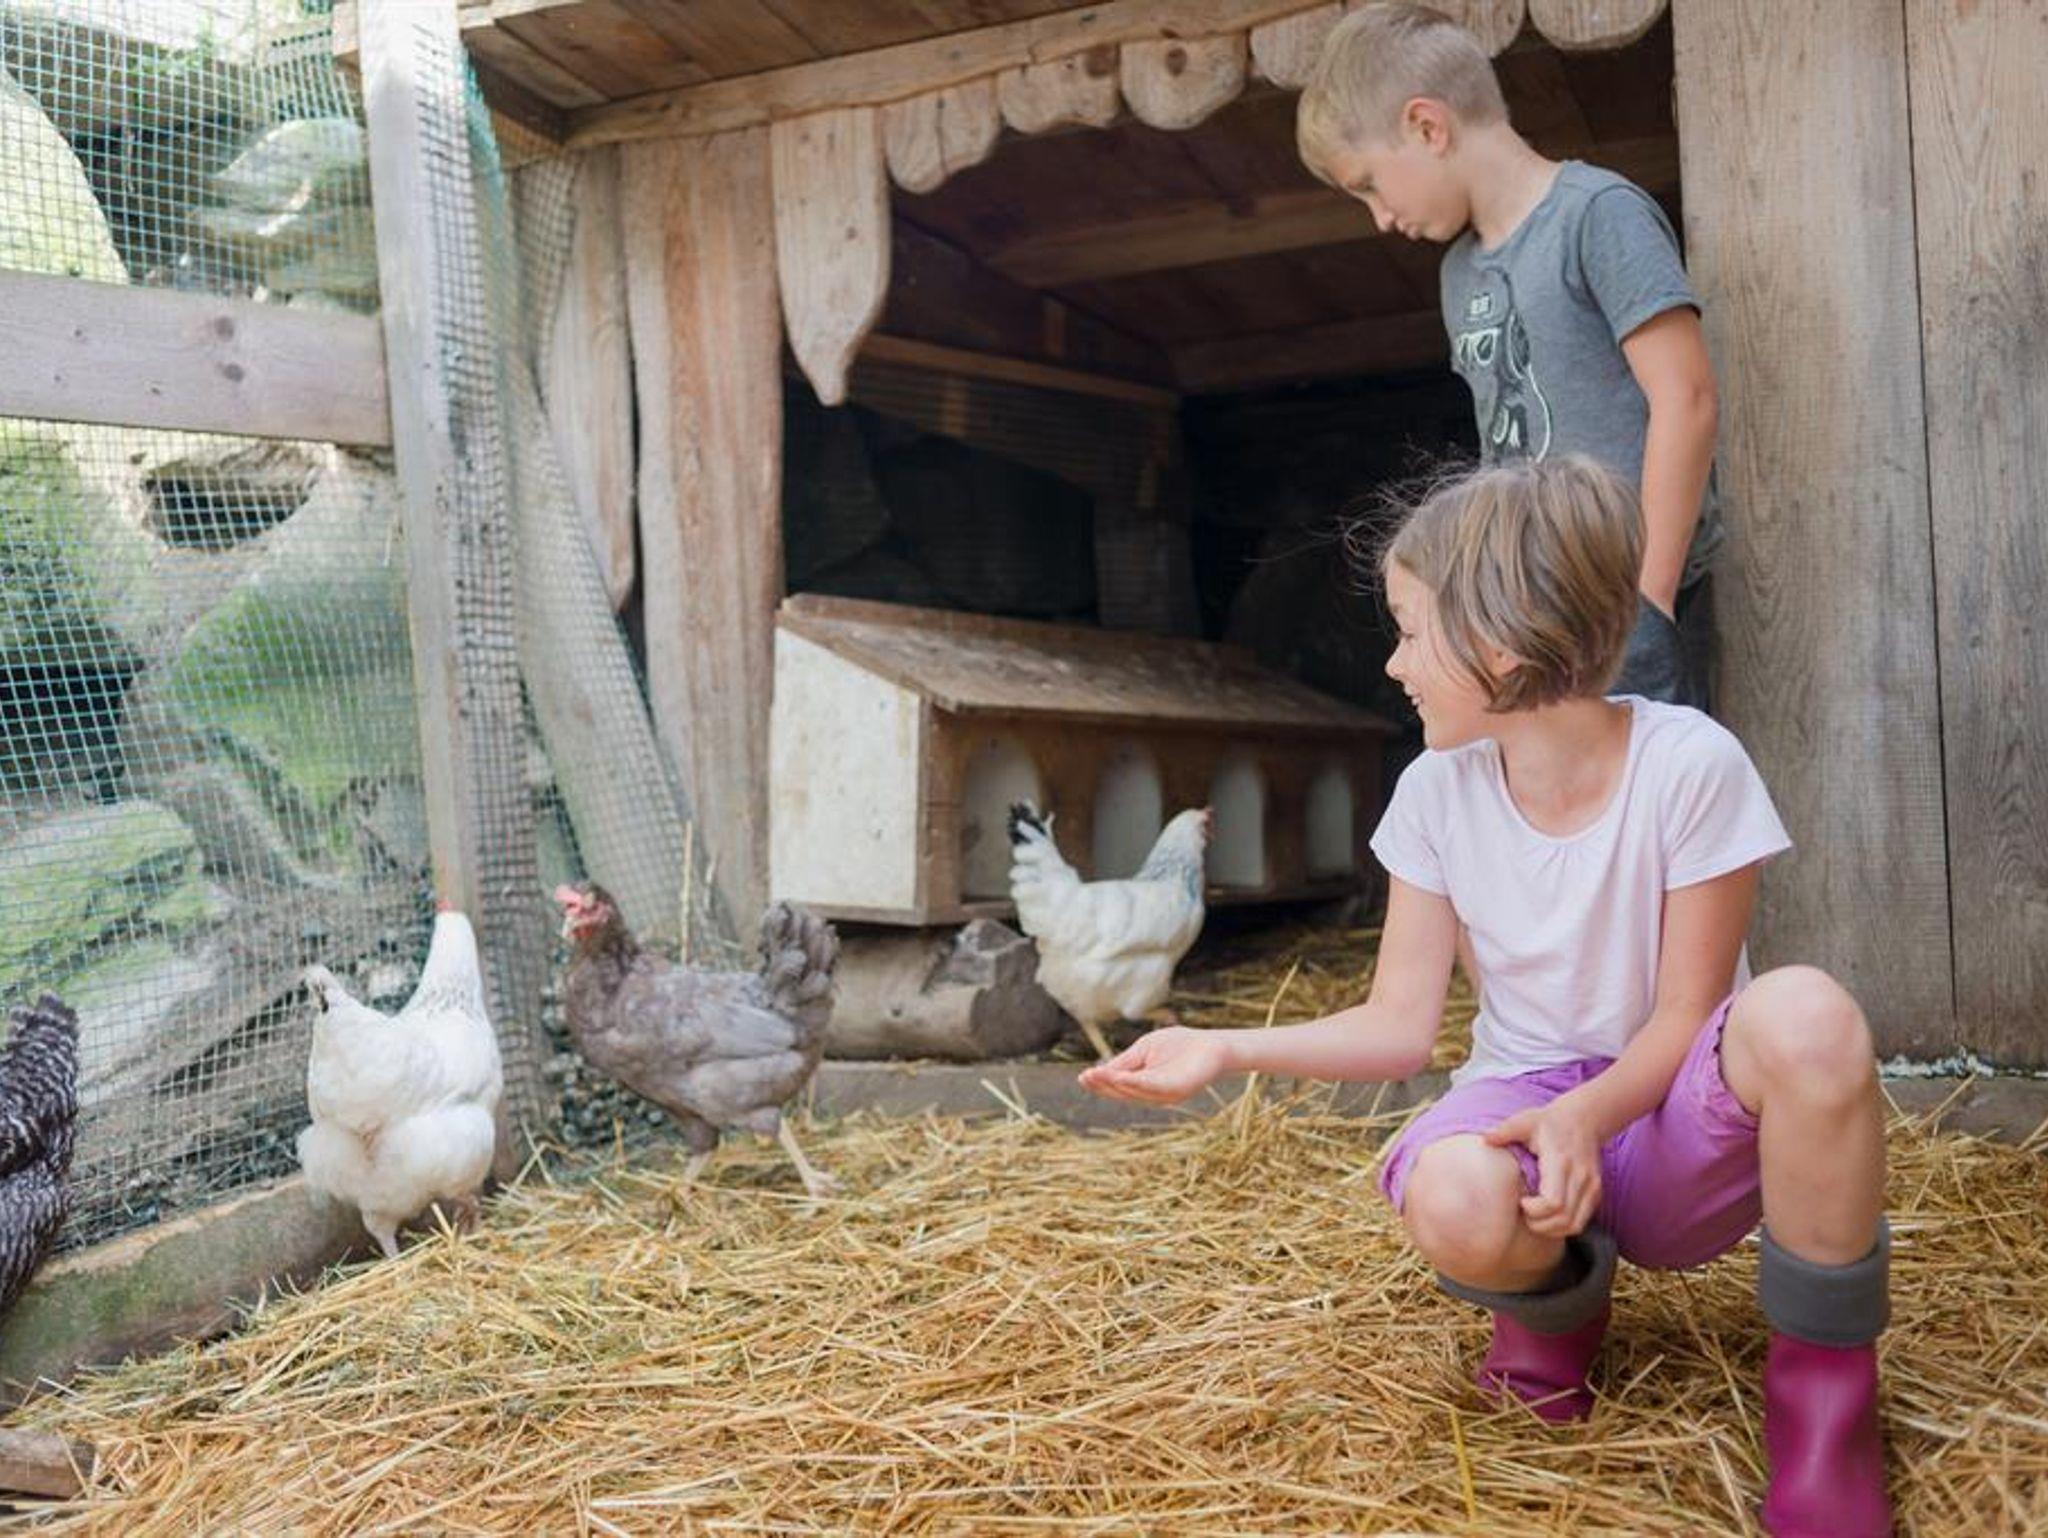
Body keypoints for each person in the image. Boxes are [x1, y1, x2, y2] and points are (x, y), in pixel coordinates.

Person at [1081, 457, 1891, 1538]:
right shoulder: (1434, 794)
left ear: (1498, 642)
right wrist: (1225, 1047)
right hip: (1525, 1105)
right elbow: (1398, 1026)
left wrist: (1585, 1117)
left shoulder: (1689, 764)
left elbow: (1683, 1017)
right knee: (1455, 1194)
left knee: (1809, 1016)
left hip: (1670, 1119)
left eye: (1411, 632)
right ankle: (1552, 1318)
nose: (1393, 662)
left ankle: (1824, 1413)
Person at [1299, 2, 1719, 707]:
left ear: (1427, 126)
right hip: (1535, 616)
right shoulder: (1457, 274)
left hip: (1626, 601)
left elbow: (1688, 399)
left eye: (1369, 183)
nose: (1380, 217)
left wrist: (1646, 601)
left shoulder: (1596, 214)